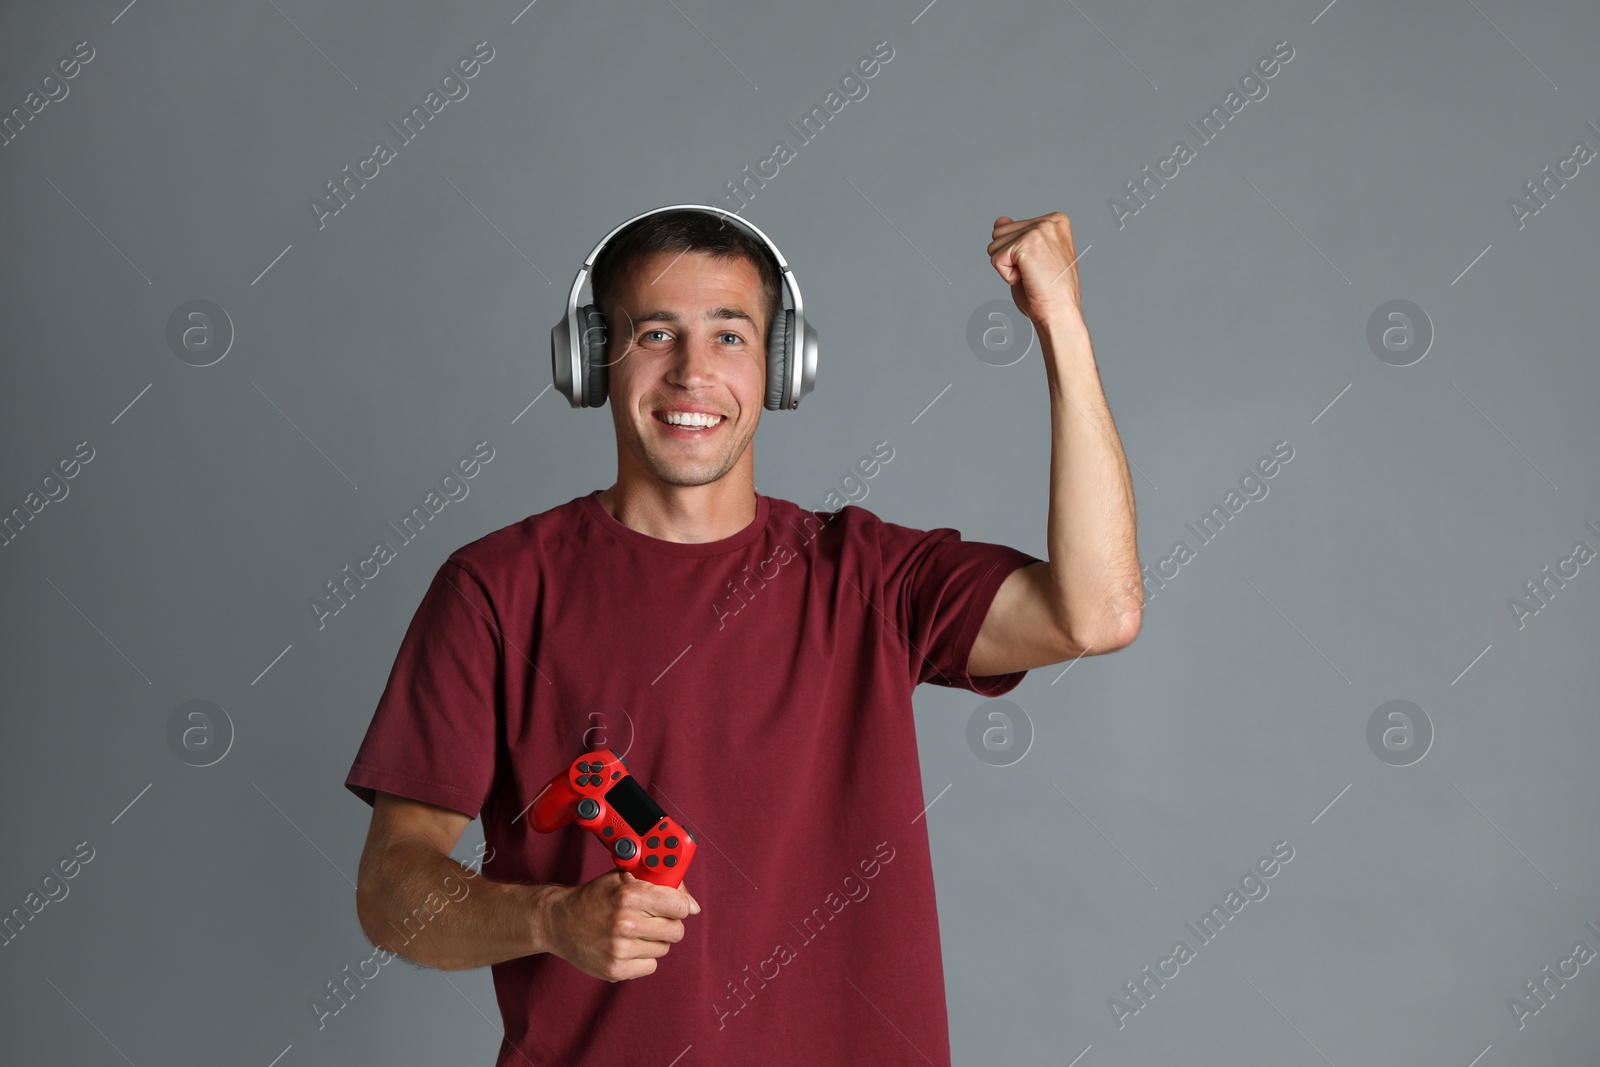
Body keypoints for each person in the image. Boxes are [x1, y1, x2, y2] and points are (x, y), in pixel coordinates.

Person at [344, 207, 1142, 1065]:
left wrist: (1062, 323)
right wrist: (551, 918)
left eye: (730, 336)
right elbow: (392, 891)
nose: (693, 373)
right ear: (591, 359)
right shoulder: (495, 591)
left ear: (782, 365)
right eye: (656, 333)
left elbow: (1096, 611)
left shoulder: (869, 576)